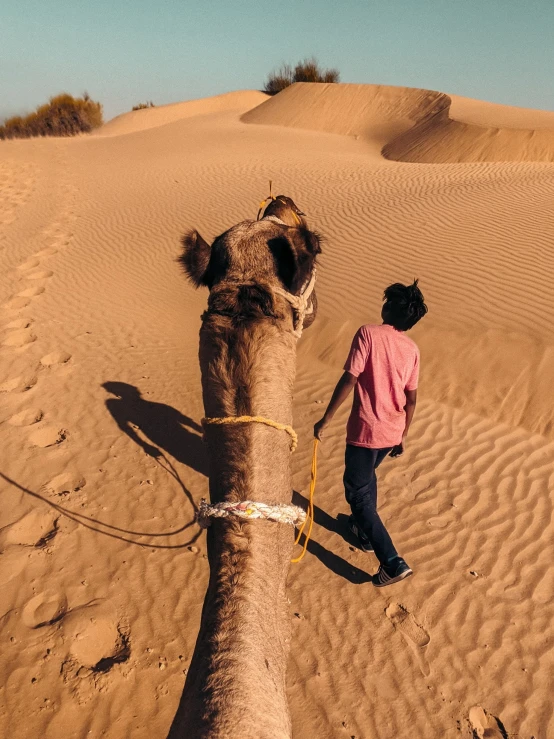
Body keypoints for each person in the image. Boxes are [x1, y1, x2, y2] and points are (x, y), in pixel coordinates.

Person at [314, 280, 428, 587]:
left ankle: (391, 562)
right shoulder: (412, 349)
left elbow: (350, 378)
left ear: (388, 308)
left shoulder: (368, 333)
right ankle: (362, 533)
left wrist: (325, 419)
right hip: (391, 432)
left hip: (366, 431)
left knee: (358, 494)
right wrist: (403, 434)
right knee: (366, 480)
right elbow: (412, 398)